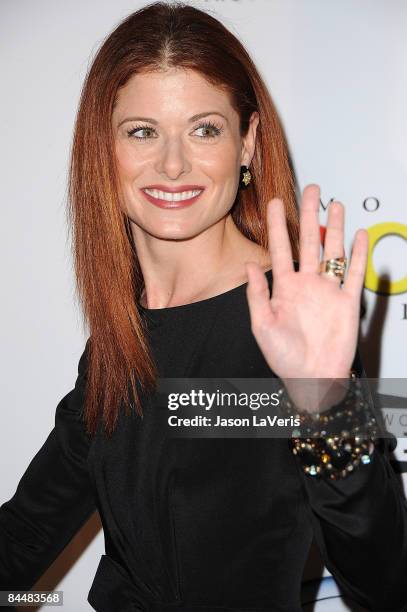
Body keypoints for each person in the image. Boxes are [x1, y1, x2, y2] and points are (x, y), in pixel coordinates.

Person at [1, 2, 407, 611]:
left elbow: (385, 585)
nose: (172, 163)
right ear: (101, 150)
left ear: (246, 144)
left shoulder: (288, 317)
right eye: (142, 131)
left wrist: (325, 401)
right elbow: (26, 535)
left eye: (204, 129)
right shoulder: (120, 337)